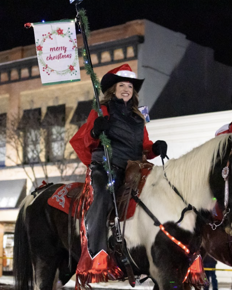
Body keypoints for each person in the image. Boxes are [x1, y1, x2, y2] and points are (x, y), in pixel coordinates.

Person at [70, 64, 168, 274]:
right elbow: (85, 139)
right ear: (113, 89)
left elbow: (144, 146)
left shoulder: (138, 116)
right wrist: (96, 131)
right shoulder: (101, 110)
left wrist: (155, 148)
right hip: (106, 167)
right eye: (121, 85)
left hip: (133, 169)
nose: (126, 89)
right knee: (104, 197)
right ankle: (96, 256)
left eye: (130, 86)